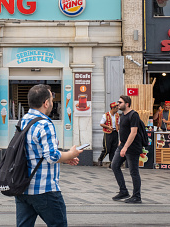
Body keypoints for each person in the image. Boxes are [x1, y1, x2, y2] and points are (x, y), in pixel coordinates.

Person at [15, 84, 82, 227]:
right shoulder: (45, 124)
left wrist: (65, 158)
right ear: (46, 103)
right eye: (51, 99)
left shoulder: (23, 121)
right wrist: (71, 153)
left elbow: (35, 153)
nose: (52, 103)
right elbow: (51, 156)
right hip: (44, 189)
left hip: (23, 187)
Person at [111, 95, 142, 204]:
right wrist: (120, 143)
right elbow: (123, 131)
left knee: (134, 171)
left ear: (127, 104)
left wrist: (125, 147)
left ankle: (137, 196)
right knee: (114, 165)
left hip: (132, 147)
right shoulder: (122, 115)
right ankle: (123, 191)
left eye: (120, 102)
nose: (118, 104)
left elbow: (133, 133)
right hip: (123, 145)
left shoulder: (133, 115)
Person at [97, 102, 120, 167]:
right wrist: (108, 127)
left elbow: (119, 123)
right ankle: (100, 159)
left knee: (114, 149)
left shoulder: (117, 115)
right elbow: (101, 123)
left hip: (115, 132)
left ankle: (112, 163)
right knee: (107, 148)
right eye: (116, 108)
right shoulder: (106, 115)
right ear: (113, 108)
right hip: (108, 133)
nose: (117, 109)